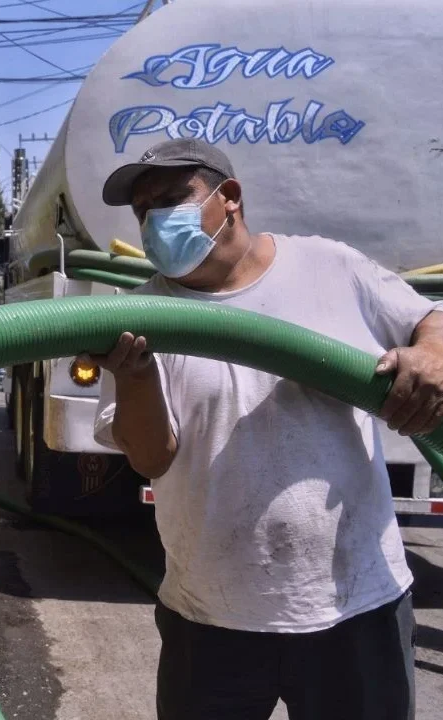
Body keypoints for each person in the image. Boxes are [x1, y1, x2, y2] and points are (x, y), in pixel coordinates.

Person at [88, 138, 443, 720]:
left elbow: (429, 318)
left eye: (172, 199)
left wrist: (432, 353)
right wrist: (133, 377)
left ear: (229, 197)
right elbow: (152, 458)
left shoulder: (329, 267)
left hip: (358, 606)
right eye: (143, 211)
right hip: (210, 617)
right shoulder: (140, 316)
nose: (155, 221)